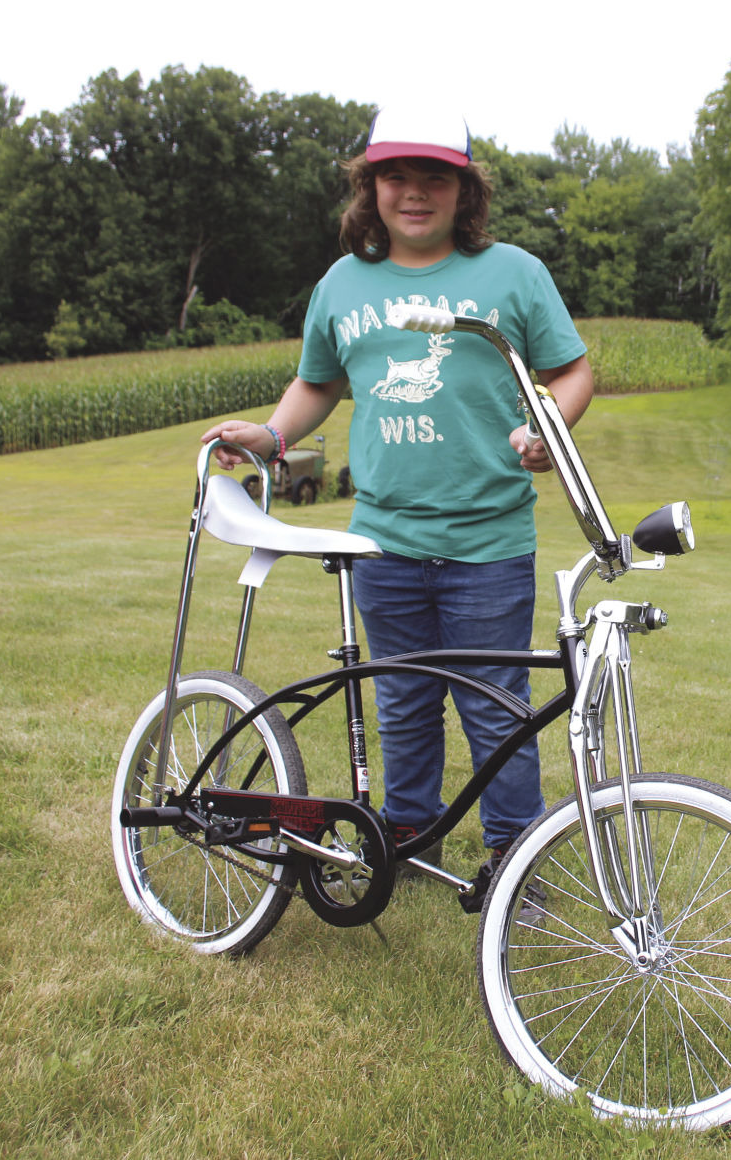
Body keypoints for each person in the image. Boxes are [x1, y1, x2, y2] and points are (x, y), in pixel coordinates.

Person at [201, 105, 592, 893]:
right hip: (381, 541)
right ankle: (408, 845)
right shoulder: (343, 285)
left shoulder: (513, 272)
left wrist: (547, 426)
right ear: (370, 186)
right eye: (394, 176)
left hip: (489, 541)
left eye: (433, 177)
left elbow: (572, 371)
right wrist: (272, 438)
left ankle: (516, 860)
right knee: (405, 703)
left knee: (496, 711)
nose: (413, 193)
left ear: (464, 189)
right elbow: (318, 382)